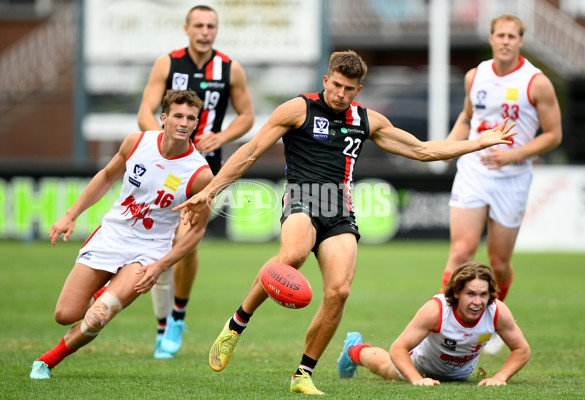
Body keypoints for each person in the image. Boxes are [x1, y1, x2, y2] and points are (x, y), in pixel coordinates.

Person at [173, 50, 517, 395]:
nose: (340, 94)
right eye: (336, 85)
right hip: (302, 197)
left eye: (348, 89)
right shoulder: (298, 109)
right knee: (292, 255)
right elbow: (250, 152)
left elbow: (423, 150)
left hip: (339, 207)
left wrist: (478, 142)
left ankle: (303, 374)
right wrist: (212, 190)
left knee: (339, 292)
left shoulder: (368, 120)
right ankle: (236, 324)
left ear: (358, 90)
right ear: (326, 81)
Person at [29, 90, 213, 379]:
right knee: (65, 314)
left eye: (191, 118)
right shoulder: (136, 142)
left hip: (149, 251)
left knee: (99, 315)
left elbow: (196, 231)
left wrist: (161, 266)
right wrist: (70, 215)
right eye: (177, 115)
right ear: (163, 118)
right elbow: (105, 177)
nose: (184, 122)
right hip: (111, 236)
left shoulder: (200, 174)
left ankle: (47, 361)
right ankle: (104, 291)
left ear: (196, 123)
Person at [440, 14, 562, 355]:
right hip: (474, 171)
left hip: (513, 177)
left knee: (499, 262)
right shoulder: (474, 76)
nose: (505, 40)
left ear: (520, 41)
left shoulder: (536, 82)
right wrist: (448, 149)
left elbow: (554, 135)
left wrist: (514, 155)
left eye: (512, 35)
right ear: (491, 39)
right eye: (500, 35)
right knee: (461, 251)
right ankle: (447, 322)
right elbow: (467, 117)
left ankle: (489, 322)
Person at [137, 4, 254, 359]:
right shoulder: (167, 64)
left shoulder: (230, 68)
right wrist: (163, 140)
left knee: (186, 241)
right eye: (199, 25)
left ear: (216, 31)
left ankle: (176, 316)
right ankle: (163, 324)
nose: (205, 31)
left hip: (203, 170)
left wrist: (220, 137)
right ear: (186, 28)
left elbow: (246, 115)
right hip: (166, 163)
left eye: (211, 26)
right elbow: (145, 111)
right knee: (159, 246)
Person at [336, 262, 530, 386]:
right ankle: (355, 350)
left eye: (483, 294)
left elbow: (522, 349)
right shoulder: (436, 310)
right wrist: (417, 379)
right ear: (456, 292)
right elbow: (398, 348)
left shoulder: (497, 311)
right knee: (386, 368)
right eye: (470, 294)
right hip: (420, 365)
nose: (478, 302)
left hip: (461, 375)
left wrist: (499, 377)